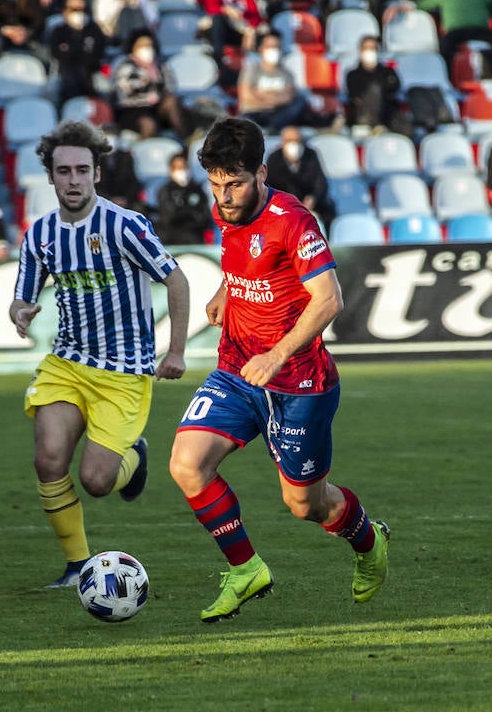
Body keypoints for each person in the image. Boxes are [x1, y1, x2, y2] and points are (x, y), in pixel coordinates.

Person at [169, 117, 390, 623]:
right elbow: (245, 259)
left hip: (299, 384)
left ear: (262, 172)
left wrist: (277, 354)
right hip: (236, 370)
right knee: (187, 464)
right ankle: (246, 570)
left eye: (235, 183)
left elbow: (328, 299)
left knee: (305, 504)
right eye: (216, 183)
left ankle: (368, 539)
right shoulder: (226, 208)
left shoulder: (294, 220)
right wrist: (229, 290)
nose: (223, 195)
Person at [9, 119, 191, 589]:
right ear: (50, 176)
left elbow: (176, 279)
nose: (73, 180)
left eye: (82, 170)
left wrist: (175, 351)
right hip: (67, 363)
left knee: (96, 480)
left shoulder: (124, 226)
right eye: (63, 171)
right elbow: (24, 293)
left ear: (97, 174)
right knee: (49, 460)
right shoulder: (41, 234)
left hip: (124, 371)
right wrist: (21, 311)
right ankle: (76, 567)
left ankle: (136, 458)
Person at [411, 0, 492, 79]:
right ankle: (449, 79)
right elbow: (424, 4)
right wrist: (407, 6)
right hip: (456, 31)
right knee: (444, 46)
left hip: (480, 31)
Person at [111, 30, 191, 140]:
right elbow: (127, 89)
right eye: (142, 46)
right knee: (148, 124)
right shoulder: (125, 66)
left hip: (156, 107)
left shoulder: (161, 66)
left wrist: (156, 90)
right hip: (133, 109)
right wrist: (149, 82)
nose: (147, 50)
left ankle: (187, 141)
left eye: (150, 45)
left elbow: (171, 86)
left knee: (172, 101)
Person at [265, 126, 336, 230]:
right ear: (282, 143)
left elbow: (320, 183)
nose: (294, 145)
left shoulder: (311, 155)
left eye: (297, 141)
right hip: (283, 206)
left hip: (310, 205)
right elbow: (269, 188)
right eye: (289, 141)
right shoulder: (274, 159)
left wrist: (313, 198)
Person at [237, 31, 307, 133]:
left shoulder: (287, 73)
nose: (274, 50)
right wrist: (274, 98)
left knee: (299, 101)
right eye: (270, 46)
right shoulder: (252, 70)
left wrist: (260, 95)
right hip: (254, 113)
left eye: (277, 47)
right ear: (261, 49)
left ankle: (272, 129)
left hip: (278, 114)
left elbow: (287, 98)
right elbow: (246, 95)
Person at [47, 0, 109, 105]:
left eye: (81, 9)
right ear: (65, 11)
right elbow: (56, 53)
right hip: (68, 74)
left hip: (91, 73)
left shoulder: (94, 29)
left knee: (103, 85)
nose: (78, 13)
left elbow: (99, 52)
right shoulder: (59, 31)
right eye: (74, 9)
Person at [343, 35, 404, 137]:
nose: (369, 52)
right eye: (366, 48)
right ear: (361, 51)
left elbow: (394, 90)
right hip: (362, 119)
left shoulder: (388, 72)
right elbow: (354, 96)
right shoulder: (352, 75)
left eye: (372, 48)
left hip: (387, 117)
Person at [154, 152, 215, 244]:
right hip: (171, 239)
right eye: (178, 168)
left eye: (184, 167)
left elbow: (204, 217)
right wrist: (191, 212)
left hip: (195, 237)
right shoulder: (165, 190)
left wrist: (182, 213)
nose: (182, 171)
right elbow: (169, 217)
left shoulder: (197, 190)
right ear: (171, 170)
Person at [91, 0, 160, 43]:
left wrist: (135, 3)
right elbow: (101, 20)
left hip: (137, 37)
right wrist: (119, 4)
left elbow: (153, 19)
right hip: (115, 37)